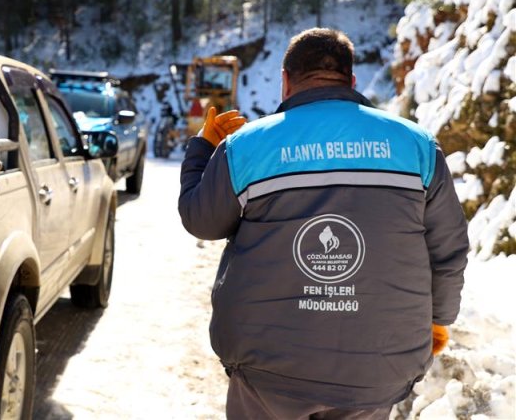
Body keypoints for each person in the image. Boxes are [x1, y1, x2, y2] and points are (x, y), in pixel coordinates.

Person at [178, 28, 469, 419]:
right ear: (351, 81)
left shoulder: (247, 145)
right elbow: (448, 249)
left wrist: (203, 149)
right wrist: (438, 320)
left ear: (285, 81)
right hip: (377, 368)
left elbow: (202, 220)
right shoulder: (416, 146)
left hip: (268, 368)